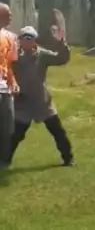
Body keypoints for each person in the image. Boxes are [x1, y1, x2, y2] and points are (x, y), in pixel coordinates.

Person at [7, 25, 75, 167]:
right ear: (19, 40)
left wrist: (61, 43)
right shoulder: (14, 56)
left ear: (34, 40)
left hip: (42, 102)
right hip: (22, 102)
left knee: (57, 131)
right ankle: (4, 161)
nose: (26, 40)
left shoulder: (42, 55)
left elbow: (61, 59)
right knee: (15, 135)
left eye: (29, 37)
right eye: (23, 37)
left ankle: (68, 158)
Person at [0, 3, 18, 170]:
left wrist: (13, 82)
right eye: (8, 14)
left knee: (7, 126)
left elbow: (9, 63)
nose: (11, 17)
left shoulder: (11, 37)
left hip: (4, 88)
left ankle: (3, 161)